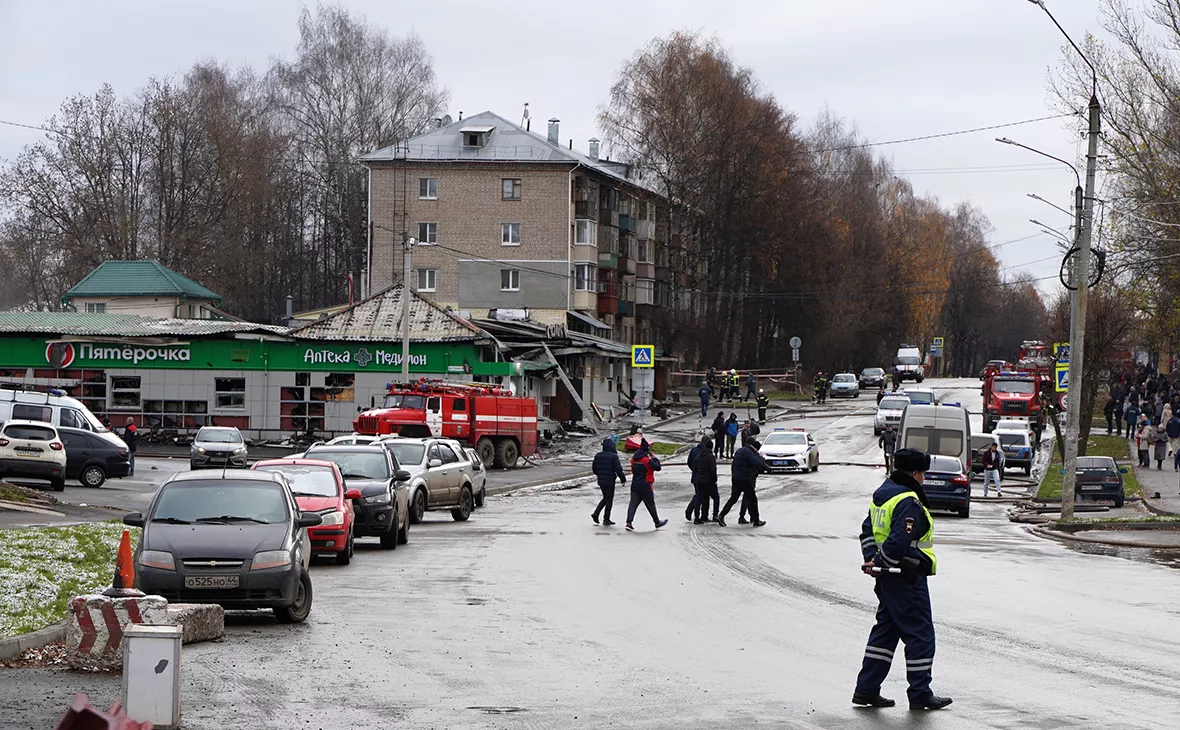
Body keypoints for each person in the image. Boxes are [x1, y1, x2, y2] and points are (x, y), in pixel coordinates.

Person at [853, 448, 952, 711]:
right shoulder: (908, 500)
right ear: (916, 473)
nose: (923, 479)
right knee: (920, 634)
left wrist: (873, 560)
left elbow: (867, 530)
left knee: (885, 633)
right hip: (905, 577)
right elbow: (899, 539)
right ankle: (920, 693)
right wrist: (882, 562)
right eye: (923, 474)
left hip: (887, 577)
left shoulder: (882, 496)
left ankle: (866, 689)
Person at [718, 438, 770, 527]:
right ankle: (756, 520)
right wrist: (768, 468)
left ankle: (721, 515)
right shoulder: (748, 453)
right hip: (745, 479)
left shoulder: (740, 451)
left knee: (733, 498)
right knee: (752, 499)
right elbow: (757, 462)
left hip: (736, 478)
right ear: (754, 447)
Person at [626, 440, 667, 532]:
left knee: (633, 504)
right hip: (646, 485)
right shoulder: (647, 461)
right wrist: (654, 458)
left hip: (635, 485)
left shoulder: (633, 460)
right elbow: (658, 467)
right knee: (650, 504)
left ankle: (629, 523)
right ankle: (657, 522)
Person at [591, 437, 626, 526]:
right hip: (610, 481)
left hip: (601, 481)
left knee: (606, 498)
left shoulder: (598, 455)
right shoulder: (614, 456)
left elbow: (594, 468)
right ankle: (605, 518)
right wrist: (623, 479)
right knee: (609, 499)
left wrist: (599, 475)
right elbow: (618, 469)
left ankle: (596, 514)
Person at [688, 434, 719, 524]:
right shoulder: (709, 455)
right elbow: (713, 470)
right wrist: (714, 480)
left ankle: (698, 516)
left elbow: (690, 462)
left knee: (699, 496)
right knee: (708, 497)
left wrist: (695, 471)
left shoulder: (695, 451)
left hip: (697, 477)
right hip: (708, 479)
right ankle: (709, 515)